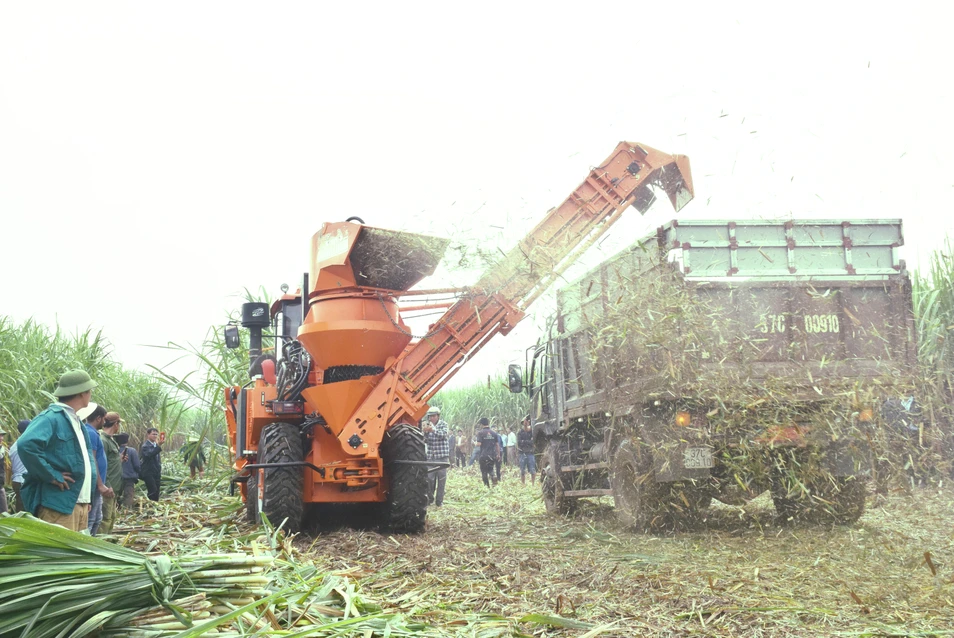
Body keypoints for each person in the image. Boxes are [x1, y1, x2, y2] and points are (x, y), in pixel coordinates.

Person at [17, 369, 99, 532]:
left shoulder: (77, 422)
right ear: (82, 393)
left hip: (78, 503)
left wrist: (86, 498)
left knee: (76, 556)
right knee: (61, 557)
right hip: (59, 505)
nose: (90, 394)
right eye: (89, 391)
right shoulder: (51, 418)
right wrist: (51, 475)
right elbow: (26, 445)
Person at [77, 403, 111, 536]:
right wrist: (100, 484)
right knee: (90, 520)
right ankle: (87, 549)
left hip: (96, 486)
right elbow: (92, 460)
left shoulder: (93, 433)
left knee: (97, 519)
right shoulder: (90, 433)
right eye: (104, 418)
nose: (104, 422)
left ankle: (92, 545)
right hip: (94, 486)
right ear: (98, 418)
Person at [99, 413, 123, 533]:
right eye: (119, 423)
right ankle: (101, 545)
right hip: (108, 488)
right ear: (115, 424)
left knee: (112, 517)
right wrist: (107, 485)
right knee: (105, 519)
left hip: (114, 486)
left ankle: (109, 542)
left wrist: (119, 459)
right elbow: (101, 465)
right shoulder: (103, 441)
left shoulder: (111, 440)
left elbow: (109, 461)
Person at [422, 407, 449, 507]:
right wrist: (424, 432)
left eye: (434, 416)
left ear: (438, 416)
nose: (432, 418)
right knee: (429, 479)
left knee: (441, 480)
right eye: (430, 416)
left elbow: (443, 435)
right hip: (431, 456)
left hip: (442, 456)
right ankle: (430, 499)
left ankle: (439, 501)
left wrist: (433, 430)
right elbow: (425, 440)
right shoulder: (427, 425)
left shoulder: (443, 424)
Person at [8, 420, 30, 512]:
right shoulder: (25, 444)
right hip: (22, 481)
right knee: (24, 513)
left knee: (21, 509)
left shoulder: (16, 444)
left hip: (18, 481)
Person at [140, 428, 164, 501]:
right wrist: (159, 445)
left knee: (157, 490)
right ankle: (151, 505)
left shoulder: (155, 445)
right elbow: (149, 455)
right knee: (152, 490)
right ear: (148, 435)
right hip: (148, 472)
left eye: (156, 434)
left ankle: (156, 505)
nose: (155, 436)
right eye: (153, 434)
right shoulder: (145, 446)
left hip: (156, 471)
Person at [117, 433, 141, 508]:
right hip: (129, 478)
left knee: (116, 495)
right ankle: (126, 511)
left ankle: (116, 509)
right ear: (127, 441)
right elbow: (137, 465)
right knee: (128, 495)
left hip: (116, 478)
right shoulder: (132, 451)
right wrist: (138, 473)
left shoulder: (114, 451)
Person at [475, 418, 500, 488]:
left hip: (483, 455)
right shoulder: (494, 433)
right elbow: (497, 445)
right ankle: (493, 476)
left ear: (481, 424)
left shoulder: (480, 433)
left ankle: (487, 487)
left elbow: (479, 444)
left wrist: (474, 443)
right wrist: (498, 454)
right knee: (491, 469)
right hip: (492, 455)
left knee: (484, 471)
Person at [517, 416, 537, 485]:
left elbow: (533, 442)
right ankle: (523, 484)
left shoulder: (532, 432)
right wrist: (528, 442)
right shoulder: (520, 432)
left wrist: (524, 442)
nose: (525, 423)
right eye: (524, 422)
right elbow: (519, 443)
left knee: (532, 470)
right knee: (522, 470)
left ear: (529, 422)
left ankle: (533, 484)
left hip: (530, 453)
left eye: (527, 422)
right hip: (522, 453)